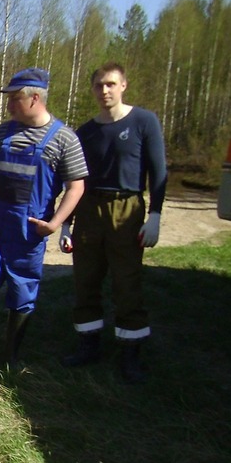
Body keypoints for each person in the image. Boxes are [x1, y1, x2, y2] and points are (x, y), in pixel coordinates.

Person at [0, 68, 87, 371]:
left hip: (29, 233)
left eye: (14, 98)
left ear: (35, 98)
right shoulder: (2, 133)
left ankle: (11, 354)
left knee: (23, 289)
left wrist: (56, 222)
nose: (8, 105)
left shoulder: (63, 139)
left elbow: (77, 186)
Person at [61, 62, 167, 384]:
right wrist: (66, 224)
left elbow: (159, 170)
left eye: (110, 84)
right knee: (86, 279)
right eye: (98, 86)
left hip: (127, 208)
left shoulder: (143, 121)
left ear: (124, 85)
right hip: (90, 210)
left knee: (127, 282)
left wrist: (156, 216)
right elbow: (75, 180)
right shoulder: (86, 131)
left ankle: (131, 352)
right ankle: (88, 344)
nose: (104, 91)